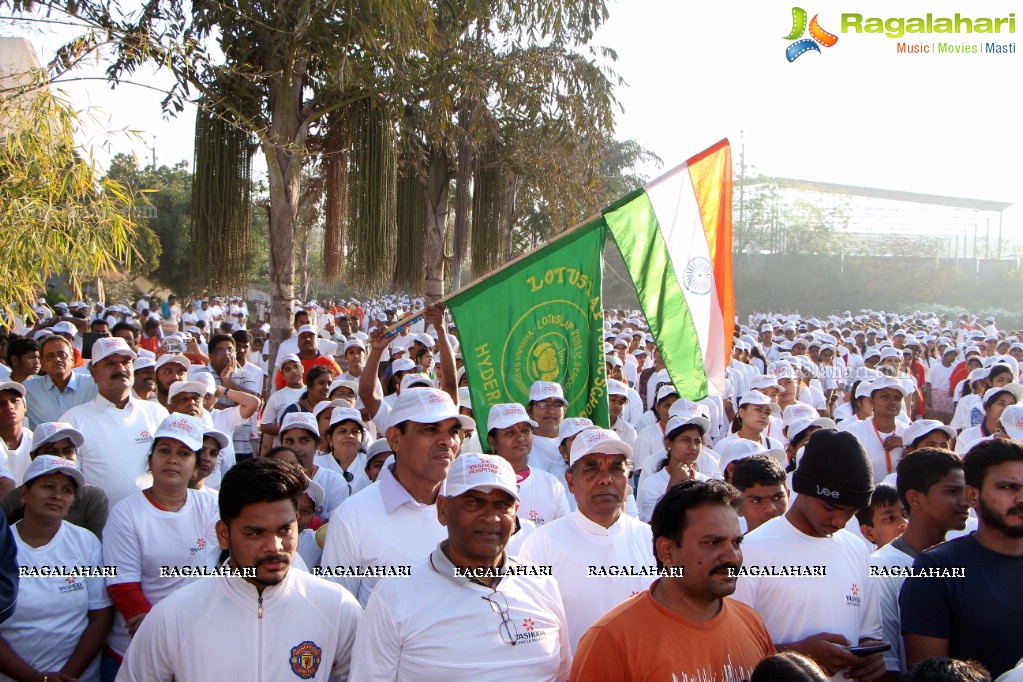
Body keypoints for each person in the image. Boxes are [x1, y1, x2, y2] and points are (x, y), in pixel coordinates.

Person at [116, 457, 362, 681]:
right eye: (255, 533)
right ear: (224, 535)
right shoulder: (173, 617)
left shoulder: (338, 608)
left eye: (285, 529)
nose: (274, 546)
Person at [350, 453, 571, 681]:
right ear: (443, 509)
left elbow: (563, 676)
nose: (491, 517)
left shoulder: (542, 585)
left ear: (515, 511)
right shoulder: (393, 597)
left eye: (502, 504)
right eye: (474, 502)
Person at [570, 480, 775, 681]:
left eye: (736, 543)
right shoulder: (611, 640)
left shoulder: (751, 622)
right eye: (713, 543)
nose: (732, 557)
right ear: (666, 550)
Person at [733, 429, 886, 682]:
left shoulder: (857, 549)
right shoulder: (751, 550)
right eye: (830, 507)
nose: (840, 520)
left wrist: (871, 659)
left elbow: (869, 633)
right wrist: (798, 657)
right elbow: (730, 647)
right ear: (802, 489)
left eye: (851, 511)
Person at [320, 387, 473, 607]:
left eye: (453, 431)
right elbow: (336, 612)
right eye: (430, 429)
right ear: (394, 438)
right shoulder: (352, 516)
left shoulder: (473, 509)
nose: (447, 441)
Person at [102, 413, 220, 673]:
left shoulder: (212, 506)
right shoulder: (126, 513)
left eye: (184, 453)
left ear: (195, 466)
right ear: (151, 459)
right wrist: (161, 636)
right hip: (136, 648)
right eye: (164, 450)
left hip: (197, 645)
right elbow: (123, 587)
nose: (172, 460)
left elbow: (217, 574)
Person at [519, 428, 654, 652]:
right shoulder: (542, 544)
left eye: (615, 469)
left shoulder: (652, 541)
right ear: (570, 482)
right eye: (591, 469)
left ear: (627, 478)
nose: (605, 480)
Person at [900, 438, 1023, 679]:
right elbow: (930, 676)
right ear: (972, 496)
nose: (1021, 498)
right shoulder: (936, 569)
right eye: (1008, 487)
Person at [0, 456, 113, 682]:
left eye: (67, 490)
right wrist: (37, 679)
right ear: (24, 494)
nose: (57, 495)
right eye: (48, 486)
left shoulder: (86, 542)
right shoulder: (4, 545)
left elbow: (101, 617)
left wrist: (66, 677)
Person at [870, 448, 969, 677]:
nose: (965, 501)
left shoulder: (965, 556)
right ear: (915, 498)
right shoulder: (880, 569)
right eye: (952, 491)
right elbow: (887, 667)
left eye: (965, 491)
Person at [61, 337, 169, 507]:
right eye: (109, 363)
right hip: (98, 526)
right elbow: (67, 482)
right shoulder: (73, 420)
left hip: (153, 521)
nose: (120, 369)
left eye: (126, 362)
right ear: (93, 373)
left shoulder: (156, 413)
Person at [1, 422, 109, 538]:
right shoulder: (11, 501)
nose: (61, 457)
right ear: (33, 457)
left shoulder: (93, 498)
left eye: (68, 451)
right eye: (51, 451)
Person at [486, 403, 570, 527]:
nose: (520, 438)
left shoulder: (551, 484)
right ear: (492, 440)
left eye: (525, 430)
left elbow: (565, 532)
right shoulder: (482, 483)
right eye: (510, 433)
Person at [636, 408, 712, 522]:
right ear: (668, 444)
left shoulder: (705, 482)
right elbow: (649, 528)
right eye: (686, 440)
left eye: (697, 441)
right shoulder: (652, 484)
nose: (693, 447)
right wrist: (673, 487)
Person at [278, 413, 349, 522]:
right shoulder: (273, 480)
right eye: (289, 441)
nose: (296, 448)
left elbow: (336, 526)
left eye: (304, 440)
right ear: (281, 444)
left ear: (317, 444)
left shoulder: (334, 482)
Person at [842, 377, 910, 483]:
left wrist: (907, 443)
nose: (892, 402)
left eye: (897, 398)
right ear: (871, 401)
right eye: (885, 397)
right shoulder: (854, 432)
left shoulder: (909, 434)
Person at [23, 335, 98, 427]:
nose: (57, 359)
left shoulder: (93, 384)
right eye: (50, 356)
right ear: (42, 364)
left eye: (62, 355)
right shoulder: (28, 390)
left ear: (72, 360)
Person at [954, 384, 1023, 455]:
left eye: (1011, 405)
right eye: (1001, 404)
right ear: (987, 407)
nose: (1007, 408)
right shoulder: (969, 439)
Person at [731, 454, 789, 533]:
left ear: (788, 495)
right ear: (738, 506)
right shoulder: (739, 546)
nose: (770, 509)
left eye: (777, 498)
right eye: (756, 501)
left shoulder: (809, 544)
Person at [524, 381, 571, 476]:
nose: (551, 410)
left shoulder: (572, 443)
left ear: (564, 410)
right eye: (543, 404)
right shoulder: (522, 446)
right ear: (529, 410)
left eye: (557, 405)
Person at [855, 483, 907, 549]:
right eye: (890, 518)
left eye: (905, 515)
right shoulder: (876, 559)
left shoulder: (922, 556)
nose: (904, 522)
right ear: (868, 533)